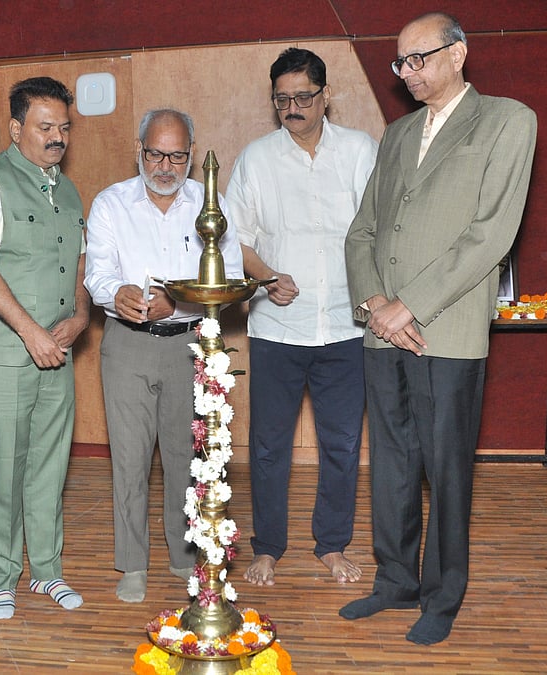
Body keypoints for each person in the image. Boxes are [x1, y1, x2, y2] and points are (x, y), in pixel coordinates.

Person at [341, 12, 537, 645]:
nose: (407, 73)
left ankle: (442, 594)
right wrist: (375, 304)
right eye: (400, 63)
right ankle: (395, 581)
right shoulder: (396, 135)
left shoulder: (508, 120)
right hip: (382, 330)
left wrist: (410, 305)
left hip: (445, 331)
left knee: (447, 468)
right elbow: (363, 229)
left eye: (417, 59)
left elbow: (490, 235)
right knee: (393, 462)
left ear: (458, 55)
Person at [225, 48, 378, 589]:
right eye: (282, 99)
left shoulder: (360, 151)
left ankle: (332, 545)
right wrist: (266, 276)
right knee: (268, 446)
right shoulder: (257, 158)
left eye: (303, 97)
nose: (292, 108)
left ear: (325, 95)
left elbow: (379, 230)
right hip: (277, 328)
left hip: (345, 324)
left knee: (342, 445)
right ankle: (268, 548)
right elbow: (233, 236)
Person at [84, 109, 244, 603]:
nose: (166, 165)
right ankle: (132, 565)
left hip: (188, 342)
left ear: (192, 155)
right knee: (129, 461)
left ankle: (182, 555)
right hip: (127, 343)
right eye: (156, 153)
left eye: (177, 155)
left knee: (184, 458)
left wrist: (182, 299)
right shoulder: (111, 203)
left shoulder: (208, 204)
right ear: (139, 148)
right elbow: (97, 275)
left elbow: (231, 273)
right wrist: (118, 295)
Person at [0, 77, 90, 620]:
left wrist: (80, 317)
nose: (56, 137)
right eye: (45, 127)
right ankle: (2, 577)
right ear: (16, 128)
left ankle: (48, 572)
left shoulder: (70, 190)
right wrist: (29, 332)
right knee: (6, 471)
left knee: (49, 467)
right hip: (4, 354)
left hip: (56, 353)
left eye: (63, 127)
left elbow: (80, 268)